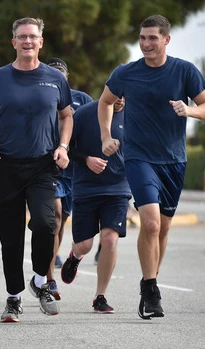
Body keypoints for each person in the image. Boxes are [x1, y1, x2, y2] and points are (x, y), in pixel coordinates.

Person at [98, 15, 205, 319]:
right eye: (142, 38)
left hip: (174, 161)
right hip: (139, 158)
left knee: (162, 229)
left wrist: (188, 109)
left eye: (152, 38)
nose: (146, 44)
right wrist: (105, 136)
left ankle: (150, 280)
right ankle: (151, 291)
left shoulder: (184, 71)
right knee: (150, 222)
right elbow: (105, 101)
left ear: (166, 39)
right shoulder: (126, 73)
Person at [0, 17, 73, 322]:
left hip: (43, 165)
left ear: (41, 42)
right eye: (22, 37)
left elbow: (67, 116)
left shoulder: (56, 80)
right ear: (13, 42)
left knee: (45, 224)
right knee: (12, 238)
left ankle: (40, 281)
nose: (27, 41)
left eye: (33, 37)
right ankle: (13, 297)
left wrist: (63, 146)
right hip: (6, 166)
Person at [60, 97, 130, 314]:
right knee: (85, 245)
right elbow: (66, 148)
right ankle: (75, 255)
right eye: (116, 94)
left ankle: (100, 296)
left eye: (124, 95)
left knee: (110, 239)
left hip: (119, 188)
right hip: (86, 187)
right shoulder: (84, 114)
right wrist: (87, 159)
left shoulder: (136, 115)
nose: (120, 100)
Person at [45, 57, 93, 300]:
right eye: (52, 73)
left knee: (62, 221)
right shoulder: (41, 96)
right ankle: (50, 279)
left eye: (61, 74)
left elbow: (95, 126)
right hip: (48, 168)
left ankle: (55, 259)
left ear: (67, 77)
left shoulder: (82, 99)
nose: (57, 78)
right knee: (53, 218)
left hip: (75, 171)